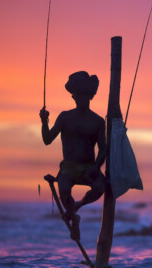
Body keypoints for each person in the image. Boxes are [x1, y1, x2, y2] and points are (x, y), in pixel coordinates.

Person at [40, 71, 106, 241]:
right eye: (78, 96)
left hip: (89, 166)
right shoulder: (65, 117)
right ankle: (74, 219)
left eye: (84, 96)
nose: (81, 99)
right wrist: (44, 122)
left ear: (90, 98)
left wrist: (96, 167)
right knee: (63, 190)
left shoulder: (98, 121)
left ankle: (76, 207)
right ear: (73, 97)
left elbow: (103, 150)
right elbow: (47, 140)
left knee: (100, 187)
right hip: (68, 166)